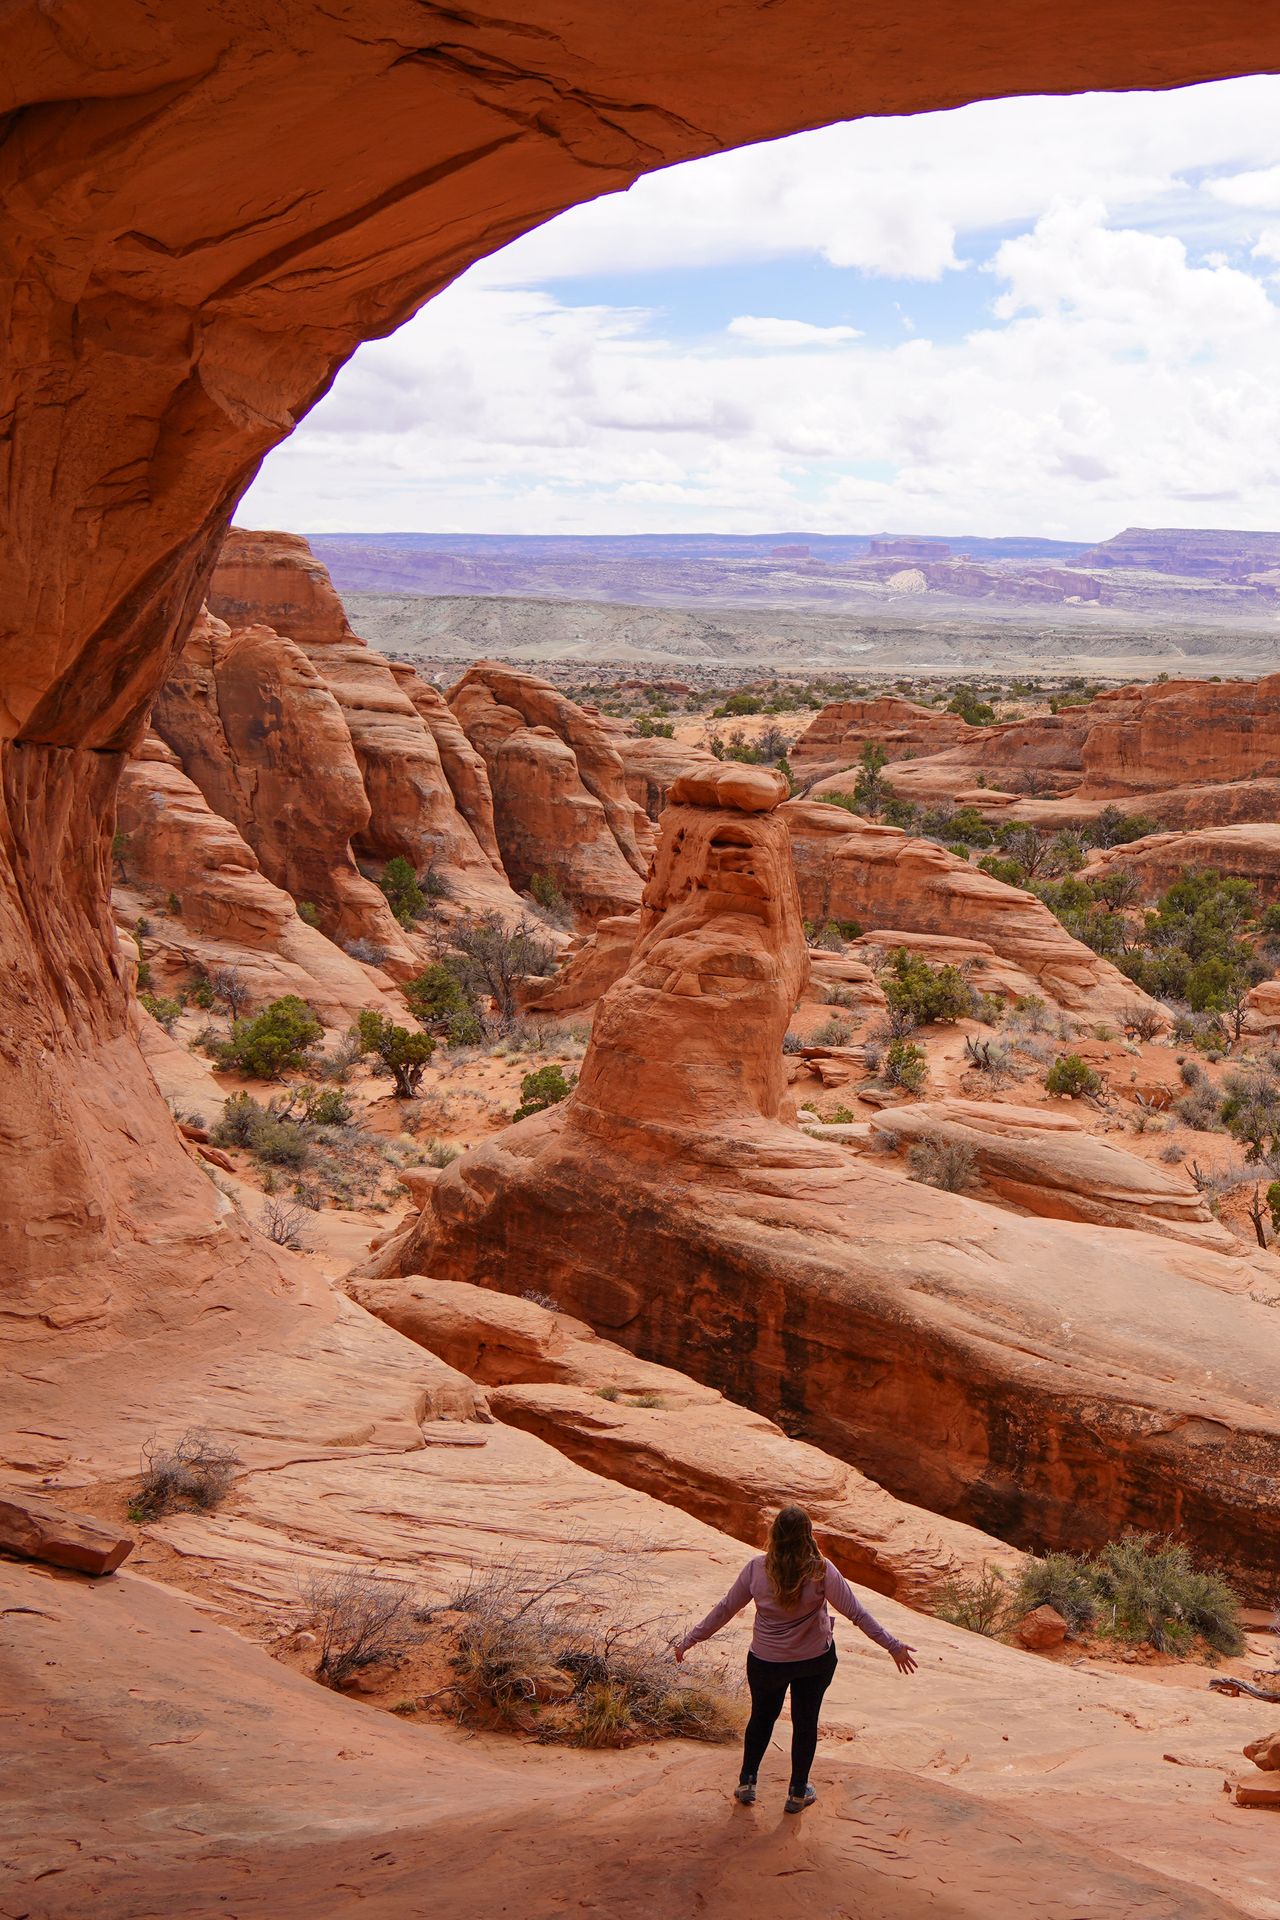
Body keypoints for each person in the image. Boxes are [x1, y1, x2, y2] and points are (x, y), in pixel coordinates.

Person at [673, 1504, 917, 1813]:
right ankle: (798, 1792)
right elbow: (856, 1613)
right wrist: (892, 1646)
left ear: (774, 1534)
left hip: (766, 1661)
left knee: (762, 1717)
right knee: (805, 1721)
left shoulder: (756, 1568)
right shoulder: (820, 1570)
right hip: (813, 1661)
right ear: (808, 1534)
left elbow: (725, 1608)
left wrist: (691, 1639)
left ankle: (747, 1782)